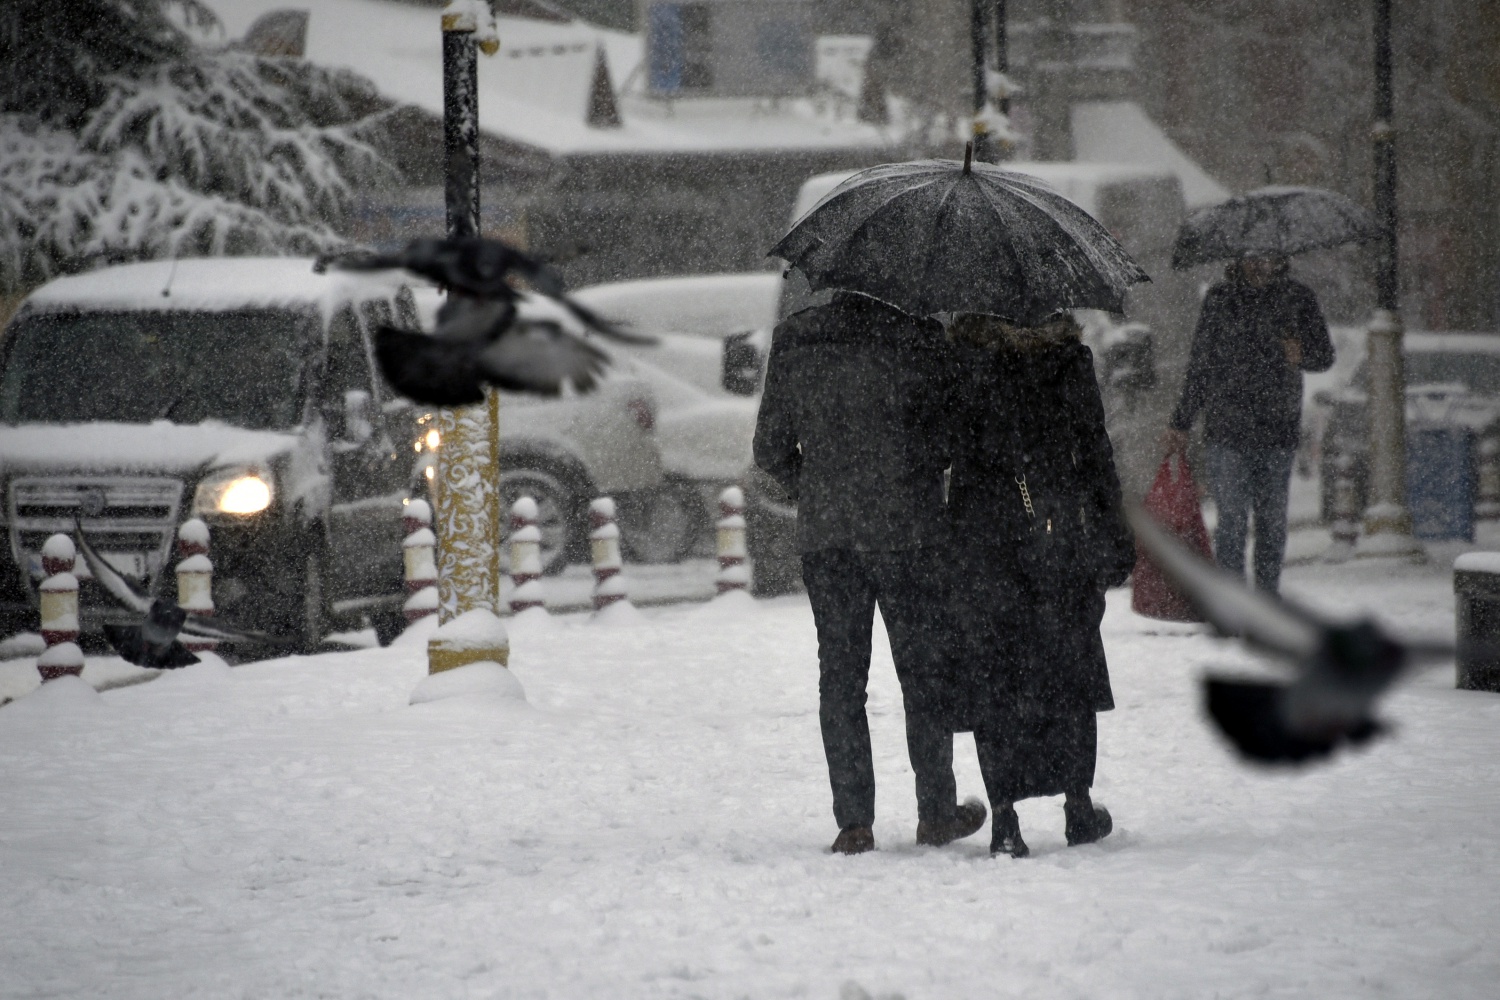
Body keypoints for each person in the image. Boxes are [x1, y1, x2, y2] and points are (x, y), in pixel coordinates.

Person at [753, 290, 986, 855]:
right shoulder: (922, 339)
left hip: (828, 536)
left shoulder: (797, 338)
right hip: (909, 531)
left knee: (840, 678)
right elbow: (952, 441)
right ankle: (936, 812)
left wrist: (817, 485)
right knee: (922, 673)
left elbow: (770, 448)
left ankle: (854, 822)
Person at [943, 313, 1135, 858]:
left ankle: (1005, 817)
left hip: (984, 536)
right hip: (1057, 531)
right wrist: (1113, 527)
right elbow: (1093, 450)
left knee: (995, 671)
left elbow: (947, 450)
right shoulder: (1065, 358)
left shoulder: (964, 360)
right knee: (1066, 664)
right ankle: (1077, 804)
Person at [1163, 254, 1334, 593]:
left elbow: (1324, 356)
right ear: (1239, 259)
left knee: (1271, 523)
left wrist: (1302, 355)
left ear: (1279, 258)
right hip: (1227, 429)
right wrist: (1181, 421)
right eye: (1252, 257)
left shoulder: (1298, 298)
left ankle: (1267, 597)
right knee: (1232, 522)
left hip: (1278, 428)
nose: (1260, 264)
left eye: (1267, 256)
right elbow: (1200, 363)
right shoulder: (1220, 299)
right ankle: (1233, 600)